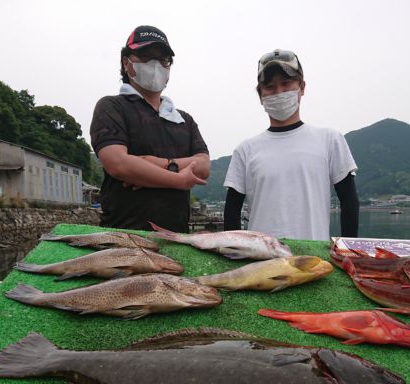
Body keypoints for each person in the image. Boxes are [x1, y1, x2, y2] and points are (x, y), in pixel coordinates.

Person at [223, 49, 359, 240]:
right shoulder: (245, 150)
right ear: (260, 95)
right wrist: (233, 252)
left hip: (314, 255)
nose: (279, 92)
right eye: (270, 87)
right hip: (262, 255)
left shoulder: (330, 140)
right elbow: (231, 212)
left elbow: (349, 201)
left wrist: (348, 250)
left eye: (286, 83)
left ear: (302, 87)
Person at [90, 25, 210, 232]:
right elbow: (118, 164)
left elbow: (203, 166)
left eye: (163, 59)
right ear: (126, 62)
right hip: (124, 234)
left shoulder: (184, 119)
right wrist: (179, 180)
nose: (155, 64)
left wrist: (160, 165)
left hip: (177, 236)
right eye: (145, 56)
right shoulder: (111, 107)